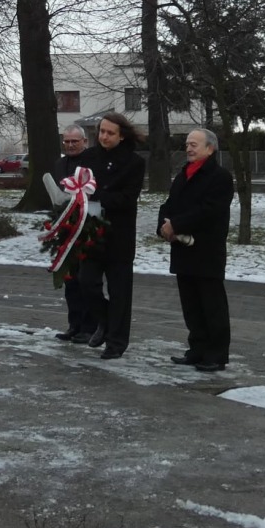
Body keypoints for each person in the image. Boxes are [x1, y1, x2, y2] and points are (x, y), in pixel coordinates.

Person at [157, 127, 234, 373]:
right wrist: (163, 226)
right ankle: (197, 349)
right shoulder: (183, 175)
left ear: (210, 149)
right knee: (191, 305)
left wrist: (176, 224)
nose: (189, 148)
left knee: (212, 305)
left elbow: (210, 210)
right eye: (187, 144)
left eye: (194, 144)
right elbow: (169, 204)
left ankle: (216, 354)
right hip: (183, 250)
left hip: (206, 251)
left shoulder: (220, 177)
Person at [77, 113, 145, 360]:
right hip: (91, 233)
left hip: (119, 235)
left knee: (120, 292)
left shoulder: (134, 162)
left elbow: (128, 198)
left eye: (110, 133)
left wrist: (98, 197)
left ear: (121, 135)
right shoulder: (88, 157)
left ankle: (116, 342)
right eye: (102, 132)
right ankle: (104, 321)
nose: (104, 137)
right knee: (87, 283)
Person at [51, 125, 92, 343]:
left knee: (86, 280)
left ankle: (89, 326)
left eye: (74, 141)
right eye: (66, 141)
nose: (70, 145)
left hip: (88, 227)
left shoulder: (92, 163)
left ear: (84, 141)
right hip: (66, 228)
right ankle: (74, 325)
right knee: (70, 281)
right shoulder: (60, 164)